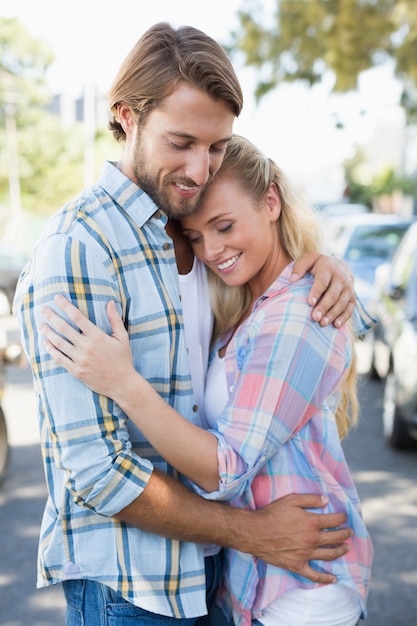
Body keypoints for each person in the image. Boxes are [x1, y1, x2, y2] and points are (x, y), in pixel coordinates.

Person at [14, 22, 360, 626]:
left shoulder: (193, 233)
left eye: (217, 145)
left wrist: (324, 268)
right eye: (181, 142)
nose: (200, 168)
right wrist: (254, 533)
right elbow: (97, 472)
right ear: (126, 116)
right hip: (133, 591)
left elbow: (263, 287)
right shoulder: (81, 247)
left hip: (215, 580)